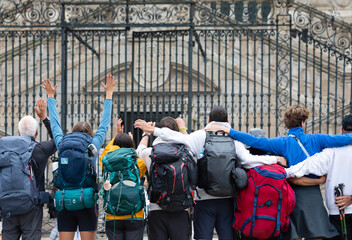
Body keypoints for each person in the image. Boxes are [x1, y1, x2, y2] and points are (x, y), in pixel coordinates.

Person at [134, 107, 285, 240]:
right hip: (228, 198)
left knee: (203, 236)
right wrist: (275, 159)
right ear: (227, 120)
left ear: (208, 120)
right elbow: (248, 160)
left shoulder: (200, 136)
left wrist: (152, 130)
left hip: (203, 197)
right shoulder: (233, 138)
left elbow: (179, 138)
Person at [204, 105, 352, 239]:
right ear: (303, 123)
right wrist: (320, 181)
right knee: (317, 233)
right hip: (312, 193)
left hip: (290, 193)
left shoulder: (281, 142)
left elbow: (254, 141)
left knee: (293, 235)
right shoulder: (318, 139)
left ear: (287, 124)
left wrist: (229, 131)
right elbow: (345, 139)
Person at [41, 75, 115, 240]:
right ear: (89, 134)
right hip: (87, 201)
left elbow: (55, 124)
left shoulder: (62, 144)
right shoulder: (93, 147)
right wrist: (109, 94)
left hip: (65, 201)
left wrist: (51, 97)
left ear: (73, 131)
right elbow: (104, 124)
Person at [285, 114, 352, 240]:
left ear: (342, 130)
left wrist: (284, 171)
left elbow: (305, 166)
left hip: (337, 212)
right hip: (339, 211)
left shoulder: (331, 152)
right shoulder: (331, 151)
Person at [1, 98, 57, 240]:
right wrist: (44, 117)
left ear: (18, 132)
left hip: (7, 207)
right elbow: (59, 139)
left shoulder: (4, 148)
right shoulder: (39, 150)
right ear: (36, 132)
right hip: (32, 206)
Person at [136, 117, 192, 240]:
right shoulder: (186, 152)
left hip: (156, 209)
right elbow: (190, 141)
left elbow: (138, 151)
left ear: (157, 130)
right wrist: (182, 129)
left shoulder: (150, 153)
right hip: (181, 209)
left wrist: (146, 134)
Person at [100, 119, 147, 240]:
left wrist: (116, 135)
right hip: (135, 214)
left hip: (112, 215)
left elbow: (107, 152)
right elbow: (139, 155)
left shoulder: (105, 161)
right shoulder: (139, 163)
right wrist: (132, 144)